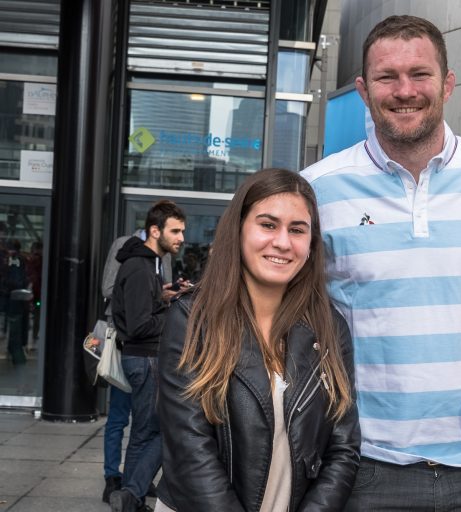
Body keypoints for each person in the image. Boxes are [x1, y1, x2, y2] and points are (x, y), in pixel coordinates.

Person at [301, 15, 461, 511]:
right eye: (387, 77)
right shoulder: (318, 189)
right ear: (363, 89)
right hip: (364, 466)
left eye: (420, 74)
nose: (405, 91)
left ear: (447, 84)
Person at [155, 168, 360, 512]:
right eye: (267, 224)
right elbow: (190, 448)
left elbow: (344, 448)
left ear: (311, 243)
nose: (282, 242)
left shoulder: (329, 327)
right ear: (238, 230)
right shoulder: (192, 321)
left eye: (297, 230)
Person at [109, 200, 186, 512]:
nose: (181, 237)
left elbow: (142, 311)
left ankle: (132, 496)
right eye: (176, 231)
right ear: (155, 231)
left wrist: (165, 295)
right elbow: (141, 324)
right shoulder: (141, 268)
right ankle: (132, 493)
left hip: (142, 358)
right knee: (162, 432)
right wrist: (177, 315)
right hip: (146, 358)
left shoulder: (147, 264)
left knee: (144, 433)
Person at [100, 229, 171, 504]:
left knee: (145, 423)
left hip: (151, 345)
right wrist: (139, 294)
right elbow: (108, 288)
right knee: (119, 415)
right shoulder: (124, 246)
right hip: (124, 339)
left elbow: (157, 293)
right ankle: (111, 478)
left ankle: (135, 484)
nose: (178, 236)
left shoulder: (163, 255)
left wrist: (164, 295)